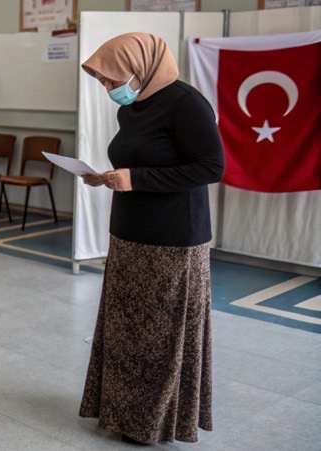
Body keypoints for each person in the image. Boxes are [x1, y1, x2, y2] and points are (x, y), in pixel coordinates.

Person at [77, 33, 224, 444]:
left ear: (140, 68)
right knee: (127, 333)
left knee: (160, 337)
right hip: (130, 234)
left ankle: (153, 422)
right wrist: (107, 177)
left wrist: (135, 178)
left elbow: (211, 167)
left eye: (112, 80)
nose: (108, 89)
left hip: (174, 239)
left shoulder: (186, 103)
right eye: (103, 82)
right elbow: (139, 160)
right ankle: (121, 412)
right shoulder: (137, 107)